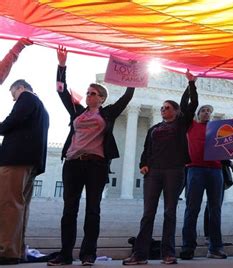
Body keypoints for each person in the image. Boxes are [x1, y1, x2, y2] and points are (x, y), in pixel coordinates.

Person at [47, 46, 135, 266]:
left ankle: (88, 254)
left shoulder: (107, 113)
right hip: (73, 163)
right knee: (69, 211)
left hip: (96, 165)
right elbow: (60, 89)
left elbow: (128, 95)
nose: (88, 95)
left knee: (92, 210)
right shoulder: (77, 112)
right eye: (87, 92)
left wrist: (132, 72)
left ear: (102, 98)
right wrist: (61, 65)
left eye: (93, 93)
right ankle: (65, 254)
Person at [122, 71, 197, 265]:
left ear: (176, 111)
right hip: (154, 173)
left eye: (167, 107)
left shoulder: (181, 125)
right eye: (162, 108)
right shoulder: (154, 129)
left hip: (174, 171)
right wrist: (143, 165)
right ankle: (139, 254)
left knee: (169, 213)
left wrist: (191, 85)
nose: (163, 110)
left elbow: (192, 105)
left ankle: (168, 253)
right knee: (148, 214)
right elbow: (146, 150)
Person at [0, 79, 49, 265]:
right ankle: (17, 250)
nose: (14, 99)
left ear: (20, 88)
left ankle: (6, 250)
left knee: (8, 205)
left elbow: (11, 122)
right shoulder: (41, 108)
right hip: (31, 162)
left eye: (13, 94)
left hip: (15, 159)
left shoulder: (27, 98)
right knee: (20, 206)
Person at [180, 104, 227, 260]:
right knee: (192, 209)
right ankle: (187, 247)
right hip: (195, 169)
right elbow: (186, 107)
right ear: (198, 114)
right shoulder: (191, 125)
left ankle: (215, 248)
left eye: (210, 112)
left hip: (216, 170)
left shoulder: (217, 129)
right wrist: (191, 85)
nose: (207, 113)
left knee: (215, 210)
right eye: (204, 111)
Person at [203, 160, 233, 245]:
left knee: (213, 206)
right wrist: (230, 163)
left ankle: (212, 237)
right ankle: (211, 237)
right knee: (213, 206)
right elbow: (217, 152)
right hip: (212, 168)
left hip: (215, 168)